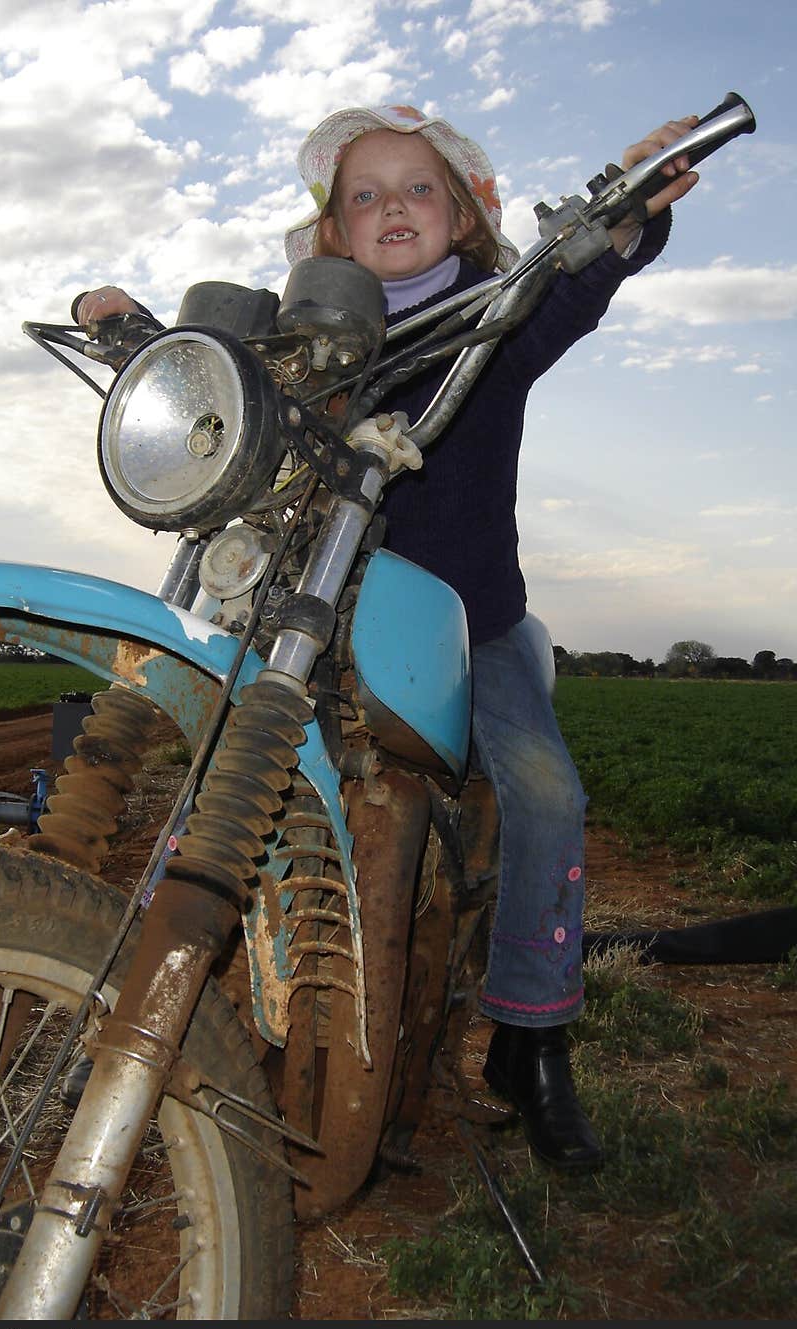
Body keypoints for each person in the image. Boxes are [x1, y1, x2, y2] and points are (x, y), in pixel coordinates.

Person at [76, 103, 700, 1172]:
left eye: (416, 188)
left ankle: (531, 1039)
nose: (389, 208)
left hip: (472, 624)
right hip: (312, 620)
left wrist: (631, 209)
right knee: (220, 784)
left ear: (460, 214)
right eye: (361, 196)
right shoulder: (301, 344)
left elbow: (586, 278)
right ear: (331, 239)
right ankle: (148, 987)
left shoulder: (499, 313)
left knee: (546, 793)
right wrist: (126, 320)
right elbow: (209, 380)